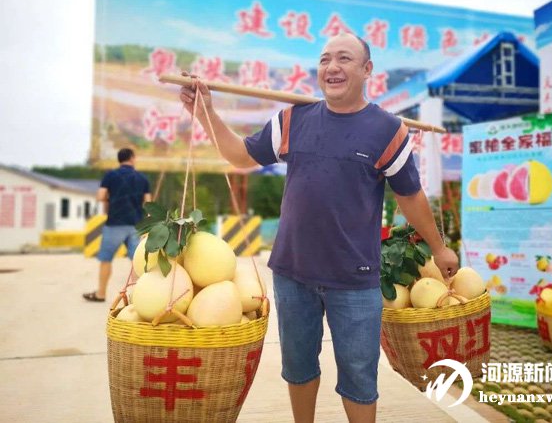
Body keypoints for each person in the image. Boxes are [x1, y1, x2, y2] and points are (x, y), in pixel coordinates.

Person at [180, 33, 459, 423]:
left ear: (367, 69)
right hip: (293, 273)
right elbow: (241, 156)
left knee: (359, 377)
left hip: (355, 278)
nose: (332, 67)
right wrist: (205, 112)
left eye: (344, 58)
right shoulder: (294, 119)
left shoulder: (387, 129)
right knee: (298, 368)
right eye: (325, 59)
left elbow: (410, 196)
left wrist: (439, 247)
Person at [83, 148, 151, 302]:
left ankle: (101, 294)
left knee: (106, 260)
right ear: (132, 158)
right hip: (136, 225)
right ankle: (139, 297)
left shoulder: (110, 176)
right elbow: (148, 204)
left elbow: (100, 196)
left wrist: (111, 199)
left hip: (114, 224)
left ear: (119, 159)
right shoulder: (142, 178)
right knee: (137, 262)